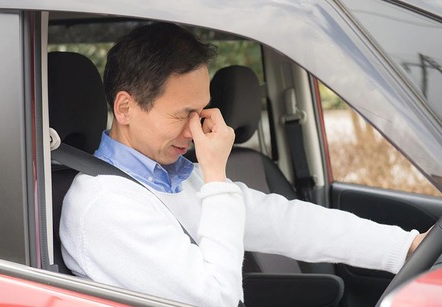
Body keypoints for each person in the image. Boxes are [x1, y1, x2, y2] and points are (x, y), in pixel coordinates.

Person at [60, 22, 426, 307]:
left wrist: (407, 246)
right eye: (182, 114)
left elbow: (287, 223)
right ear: (125, 108)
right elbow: (219, 299)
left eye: (200, 111)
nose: (195, 128)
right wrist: (217, 178)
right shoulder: (104, 204)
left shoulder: (174, 176)